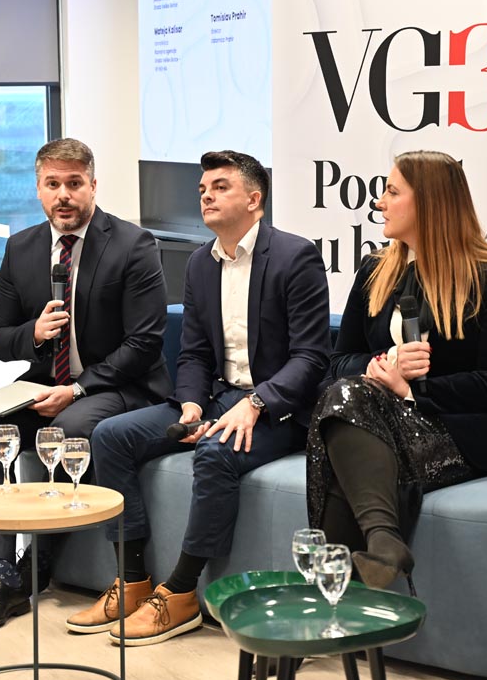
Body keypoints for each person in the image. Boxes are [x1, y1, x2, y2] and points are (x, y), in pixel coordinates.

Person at [75, 149, 331, 645]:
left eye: (220, 187)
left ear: (254, 199)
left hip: (282, 409)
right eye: (202, 189)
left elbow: (311, 358)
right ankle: (132, 580)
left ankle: (181, 593)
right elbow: (192, 352)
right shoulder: (200, 264)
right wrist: (191, 403)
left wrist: (256, 404)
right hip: (217, 398)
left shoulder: (294, 256)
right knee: (110, 436)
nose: (206, 196)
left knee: (215, 453)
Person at [0, 138, 171, 630]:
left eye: (74, 184)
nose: (64, 195)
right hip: (44, 383)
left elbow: (144, 343)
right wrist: (33, 333)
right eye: (52, 184)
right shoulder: (21, 248)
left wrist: (77, 389)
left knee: (68, 428)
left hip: (119, 386)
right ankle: (1, 574)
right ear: (38, 189)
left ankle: (39, 560)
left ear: (93, 186)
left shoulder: (133, 244)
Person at [305, 150, 487, 590]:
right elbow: (339, 361)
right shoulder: (375, 269)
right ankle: (382, 543)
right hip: (375, 415)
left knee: (344, 429)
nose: (379, 202)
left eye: (392, 192)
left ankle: (334, 597)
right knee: (345, 395)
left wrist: (411, 391)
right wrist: (385, 364)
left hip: (459, 430)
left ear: (428, 202)